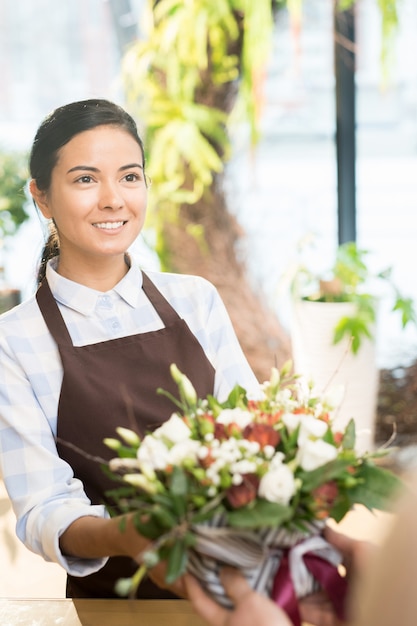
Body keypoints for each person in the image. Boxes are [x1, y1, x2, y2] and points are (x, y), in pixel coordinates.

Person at [0, 98, 260, 599]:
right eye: (84, 179)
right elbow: (43, 508)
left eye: (130, 176)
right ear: (42, 197)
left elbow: (252, 434)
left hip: (242, 585)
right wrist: (134, 534)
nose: (114, 199)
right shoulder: (14, 341)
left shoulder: (195, 300)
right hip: (120, 602)